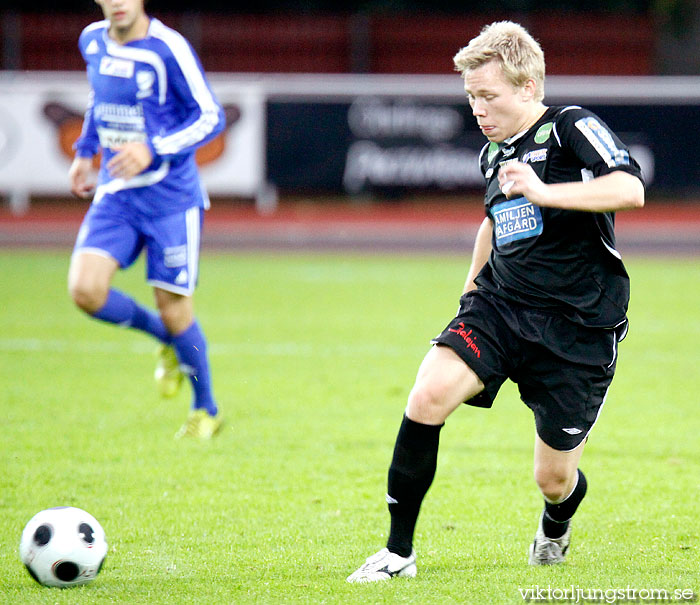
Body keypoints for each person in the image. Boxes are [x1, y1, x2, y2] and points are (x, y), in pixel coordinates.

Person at [347, 20, 644, 582]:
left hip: (577, 328)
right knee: (428, 394)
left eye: (489, 96)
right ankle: (397, 553)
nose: (478, 110)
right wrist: (469, 291)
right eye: (471, 98)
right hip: (501, 307)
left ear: (528, 87)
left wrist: (543, 189)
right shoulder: (495, 153)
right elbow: (494, 222)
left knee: (553, 479)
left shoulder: (568, 127)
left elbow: (630, 189)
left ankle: (556, 523)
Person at [68, 0, 225, 439]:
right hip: (117, 193)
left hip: (170, 200)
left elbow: (211, 116)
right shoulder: (92, 40)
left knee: (176, 310)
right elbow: (99, 98)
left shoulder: (167, 49)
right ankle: (167, 341)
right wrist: (84, 152)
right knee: (85, 290)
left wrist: (153, 147)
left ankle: (205, 409)